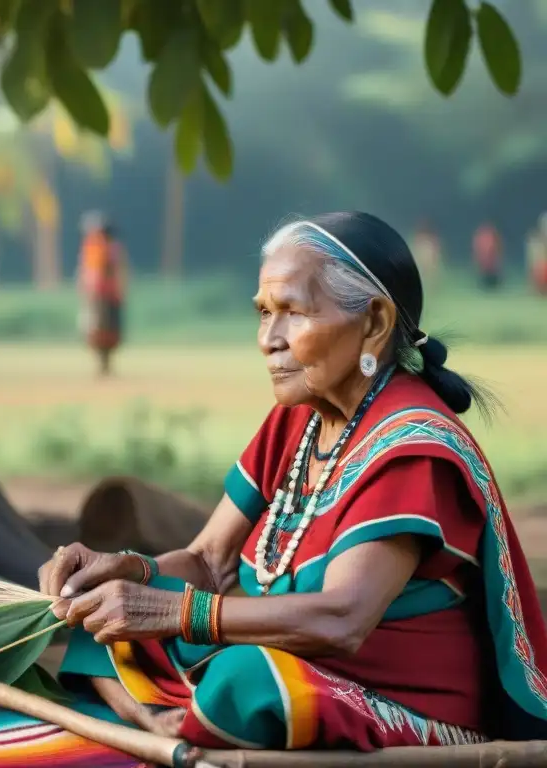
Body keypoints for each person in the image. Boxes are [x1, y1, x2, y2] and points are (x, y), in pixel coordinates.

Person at [40, 211, 547, 751]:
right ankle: (164, 723)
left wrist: (168, 612)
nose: (267, 339)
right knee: (100, 611)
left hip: (389, 704)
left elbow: (342, 619)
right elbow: (209, 560)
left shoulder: (412, 449)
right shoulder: (299, 418)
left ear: (374, 322)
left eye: (291, 313)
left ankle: (169, 718)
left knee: (245, 681)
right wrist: (126, 570)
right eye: (263, 313)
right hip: (292, 665)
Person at [77, 212, 128, 376]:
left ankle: (105, 365)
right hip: (100, 295)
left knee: (106, 330)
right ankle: (103, 364)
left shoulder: (109, 249)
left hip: (105, 294)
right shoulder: (94, 248)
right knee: (99, 330)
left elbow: (118, 271)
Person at [412, 218, 441, 288]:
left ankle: (431, 288)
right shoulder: (420, 236)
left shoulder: (431, 237)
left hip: (428, 258)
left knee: (430, 275)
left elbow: (435, 247)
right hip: (424, 258)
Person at [473, 222, 503, 290]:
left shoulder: (492, 239)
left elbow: (498, 251)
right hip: (486, 266)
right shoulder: (482, 239)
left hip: (491, 266)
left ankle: (491, 282)